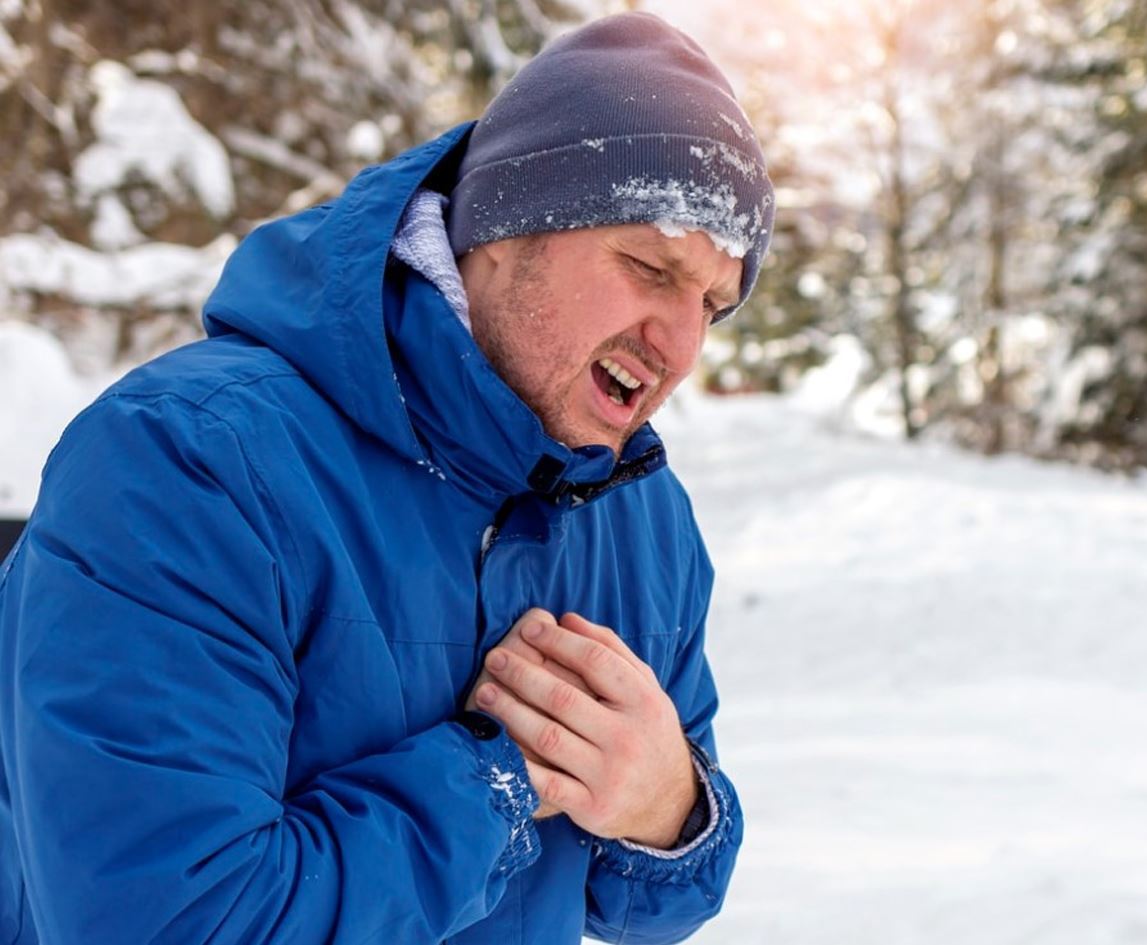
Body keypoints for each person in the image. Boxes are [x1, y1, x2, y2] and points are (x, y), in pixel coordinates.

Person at [0, 12, 774, 945]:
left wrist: (672, 808)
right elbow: (167, 923)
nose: (681, 345)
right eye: (650, 267)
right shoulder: (188, 463)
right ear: (504, 229)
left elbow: (651, 904)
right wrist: (493, 782)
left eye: (712, 305)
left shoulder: (640, 514)